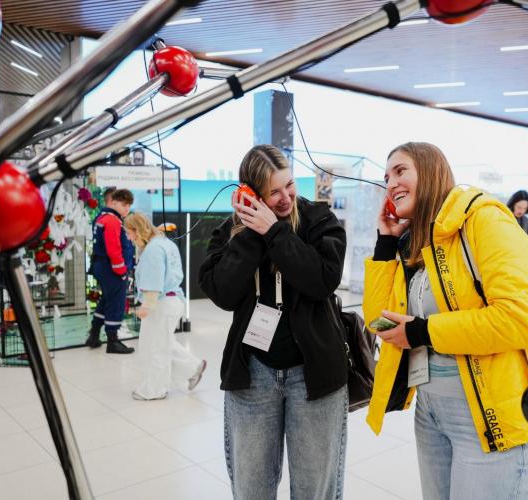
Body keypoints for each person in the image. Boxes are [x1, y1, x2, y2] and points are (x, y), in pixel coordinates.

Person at [363, 142, 528, 500]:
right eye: (386, 176)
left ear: (432, 171)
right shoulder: (419, 244)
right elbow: (379, 322)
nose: (391, 183)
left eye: (400, 171)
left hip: (490, 414)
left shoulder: (485, 221)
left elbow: (520, 318)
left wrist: (422, 331)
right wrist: (385, 244)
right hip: (430, 411)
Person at [198, 144, 348, 500]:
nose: (285, 198)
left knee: (315, 489)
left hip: (314, 375)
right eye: (273, 192)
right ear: (251, 195)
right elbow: (222, 292)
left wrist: (276, 233)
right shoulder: (232, 232)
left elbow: (322, 280)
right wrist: (254, 231)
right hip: (252, 373)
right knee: (251, 487)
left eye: (289, 185)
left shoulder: (318, 220)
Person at [124, 213, 206, 401]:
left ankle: (155, 390)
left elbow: (154, 280)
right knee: (162, 342)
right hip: (172, 300)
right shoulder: (165, 243)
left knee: (156, 348)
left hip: (161, 303)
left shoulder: (153, 250)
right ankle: (193, 367)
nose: (128, 237)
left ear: (137, 230)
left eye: (129, 233)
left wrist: (147, 306)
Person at [86, 189, 136, 354]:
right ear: (113, 203)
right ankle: (112, 342)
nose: (127, 209)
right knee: (116, 303)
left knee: (106, 300)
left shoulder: (102, 218)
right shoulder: (113, 221)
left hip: (103, 266)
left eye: (129, 205)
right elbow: (114, 249)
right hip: (111, 269)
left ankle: (94, 335)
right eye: (124, 205)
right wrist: (121, 271)